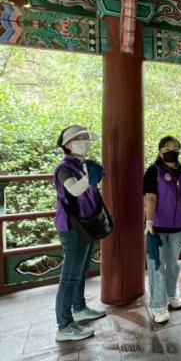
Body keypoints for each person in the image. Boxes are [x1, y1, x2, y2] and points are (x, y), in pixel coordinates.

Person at [53, 125, 108, 341]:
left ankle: (79, 308)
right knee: (70, 277)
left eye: (86, 137)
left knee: (81, 271)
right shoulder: (64, 168)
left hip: (86, 225)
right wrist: (88, 178)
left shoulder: (82, 165)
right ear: (67, 144)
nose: (85, 141)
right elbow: (74, 190)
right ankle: (64, 326)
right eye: (79, 138)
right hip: (72, 227)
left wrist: (90, 176)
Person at [143, 136, 181, 323]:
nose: (172, 150)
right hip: (157, 226)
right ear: (160, 150)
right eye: (168, 147)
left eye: (176, 147)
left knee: (173, 264)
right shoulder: (153, 171)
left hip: (178, 226)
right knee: (157, 265)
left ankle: (171, 295)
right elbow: (150, 198)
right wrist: (149, 221)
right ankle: (158, 305)